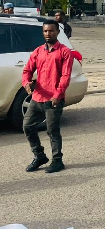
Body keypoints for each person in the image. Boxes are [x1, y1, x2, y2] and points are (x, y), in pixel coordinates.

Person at [22, 20, 74, 173]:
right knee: (27, 126)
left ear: (57, 32)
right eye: (45, 31)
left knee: (52, 131)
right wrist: (27, 83)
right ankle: (39, 156)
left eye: (51, 31)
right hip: (37, 97)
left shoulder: (65, 52)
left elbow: (65, 76)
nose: (48, 34)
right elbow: (27, 71)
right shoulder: (38, 51)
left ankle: (57, 160)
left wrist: (58, 95)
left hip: (54, 100)